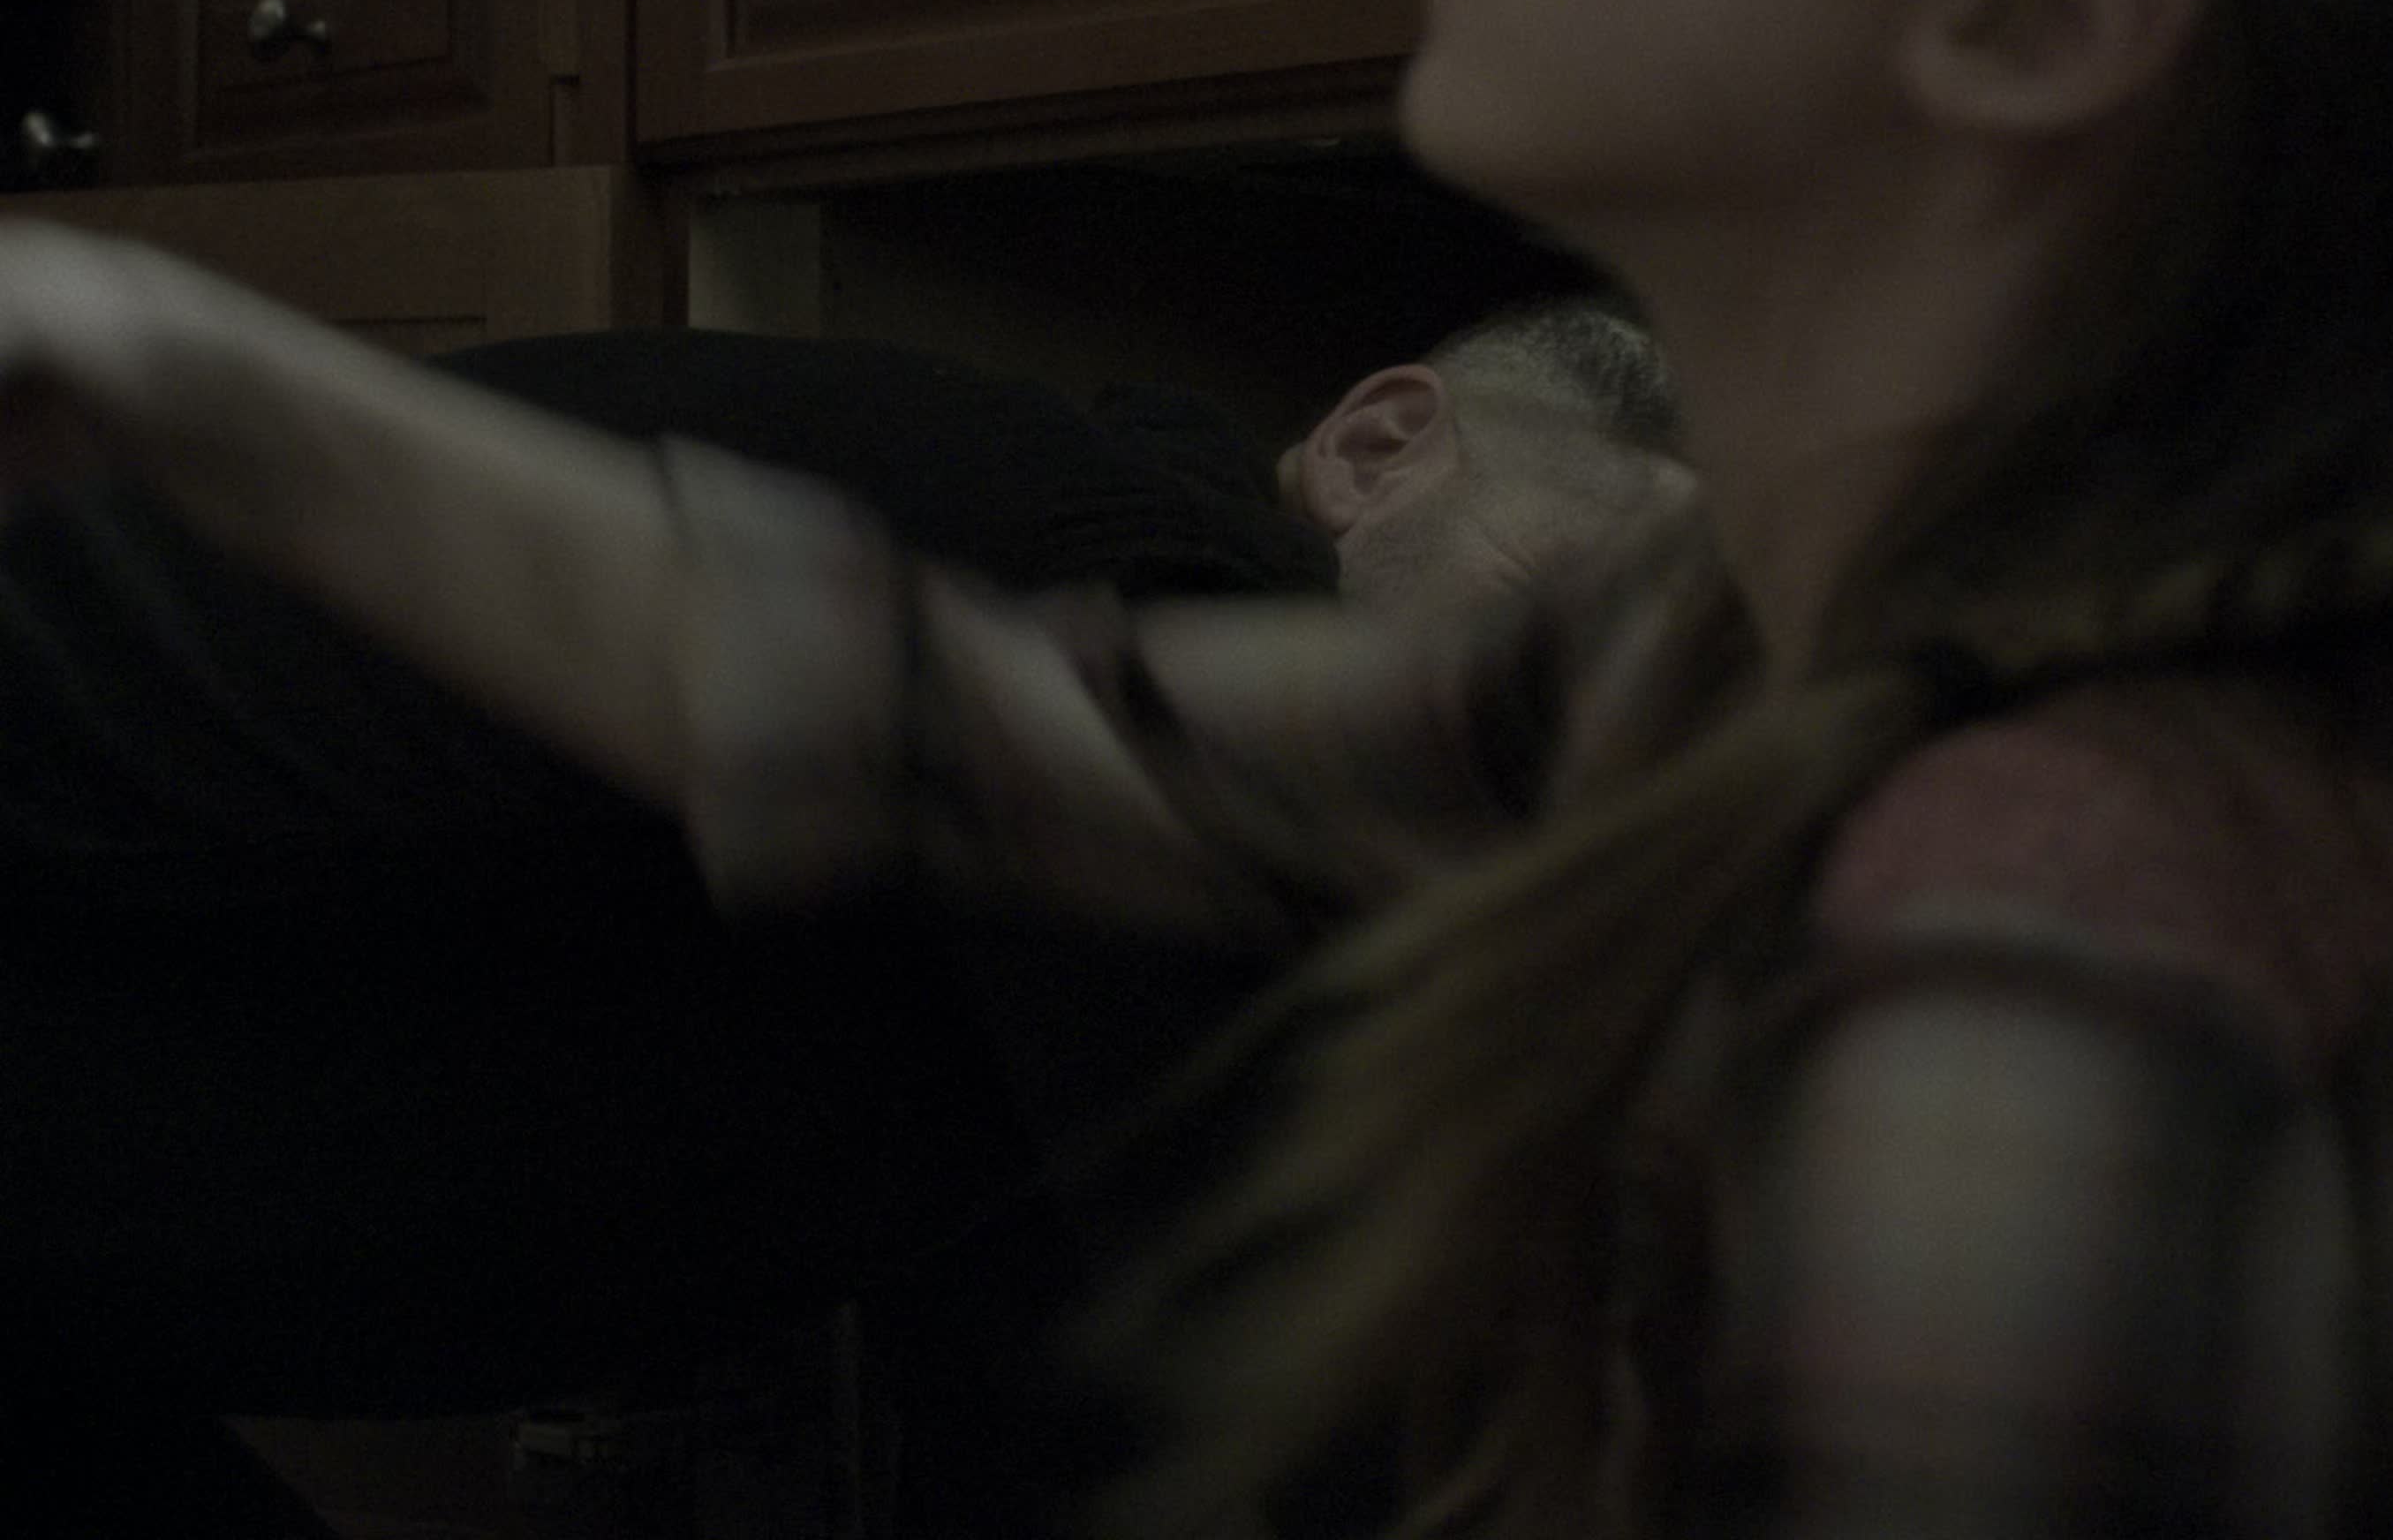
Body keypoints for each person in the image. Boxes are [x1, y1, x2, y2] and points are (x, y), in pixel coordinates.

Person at [0, 0, 2393, 1533]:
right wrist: (182, 372)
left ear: (2038, 18)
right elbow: (970, 726)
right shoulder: (1750, 657)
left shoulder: (2045, 951)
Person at [0, 301, 1679, 1533]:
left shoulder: (1103, 751)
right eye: (1591, 636)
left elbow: (1054, 1376)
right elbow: (1315, 1391)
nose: (1628, 759)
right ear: (1376, 450)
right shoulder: (1131, 563)